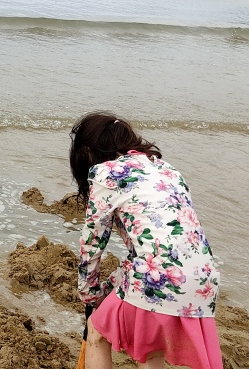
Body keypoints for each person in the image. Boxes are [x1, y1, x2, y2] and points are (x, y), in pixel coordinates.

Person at [69, 111, 222, 369]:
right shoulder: (168, 170)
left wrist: (90, 295)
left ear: (87, 151)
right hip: (204, 282)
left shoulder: (106, 174)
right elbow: (164, 242)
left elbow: (91, 246)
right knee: (152, 349)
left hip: (158, 278)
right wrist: (113, 284)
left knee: (97, 331)